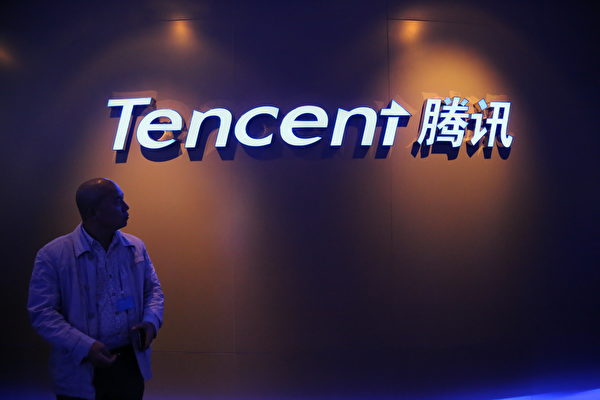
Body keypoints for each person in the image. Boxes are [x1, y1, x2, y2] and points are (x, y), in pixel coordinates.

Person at [28, 178, 164, 400]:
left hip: (129, 363)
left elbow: (153, 291)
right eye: (117, 201)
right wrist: (84, 346)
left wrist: (151, 321)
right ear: (93, 211)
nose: (126, 207)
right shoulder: (53, 255)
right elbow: (42, 313)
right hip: (81, 366)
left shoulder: (135, 247)